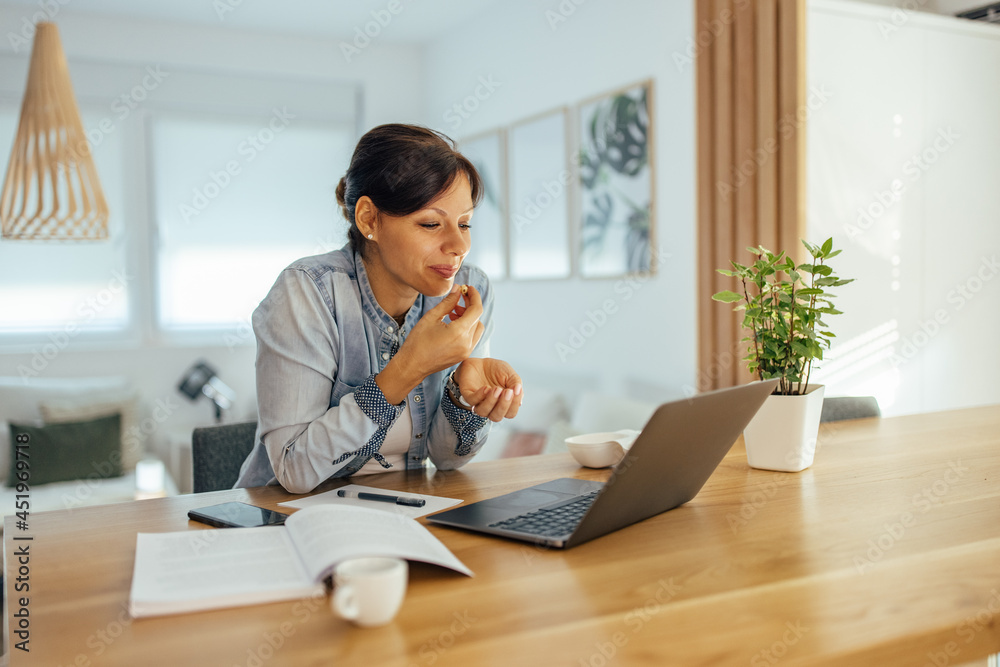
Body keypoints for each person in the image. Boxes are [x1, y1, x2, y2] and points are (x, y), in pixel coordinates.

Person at [235, 124, 522, 493]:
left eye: (464, 223)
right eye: (432, 224)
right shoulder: (309, 292)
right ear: (369, 219)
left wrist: (461, 398)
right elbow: (295, 471)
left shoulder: (470, 290)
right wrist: (409, 366)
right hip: (283, 520)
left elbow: (447, 460)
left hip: (402, 512)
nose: (457, 245)